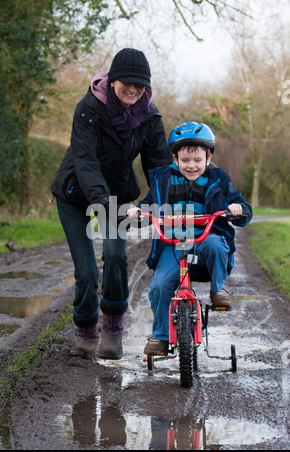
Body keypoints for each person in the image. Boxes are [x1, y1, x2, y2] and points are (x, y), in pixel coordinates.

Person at [51, 48, 172, 361]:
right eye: (126, 83)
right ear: (113, 80)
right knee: (87, 272)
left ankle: (113, 328)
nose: (133, 89)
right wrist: (103, 204)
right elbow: (86, 163)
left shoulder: (151, 116)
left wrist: (149, 204)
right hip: (75, 195)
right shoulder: (88, 109)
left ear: (146, 87)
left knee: (117, 258)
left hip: (117, 196)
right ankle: (85, 330)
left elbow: (159, 167)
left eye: (140, 85)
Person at [127, 121, 253, 356]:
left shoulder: (218, 179)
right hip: (172, 242)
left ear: (208, 157)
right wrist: (138, 212)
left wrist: (237, 209)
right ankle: (162, 337)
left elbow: (242, 206)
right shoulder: (162, 179)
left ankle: (217, 290)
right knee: (160, 285)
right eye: (185, 160)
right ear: (175, 159)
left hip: (206, 239)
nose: (191, 166)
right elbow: (149, 204)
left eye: (197, 160)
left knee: (217, 244)